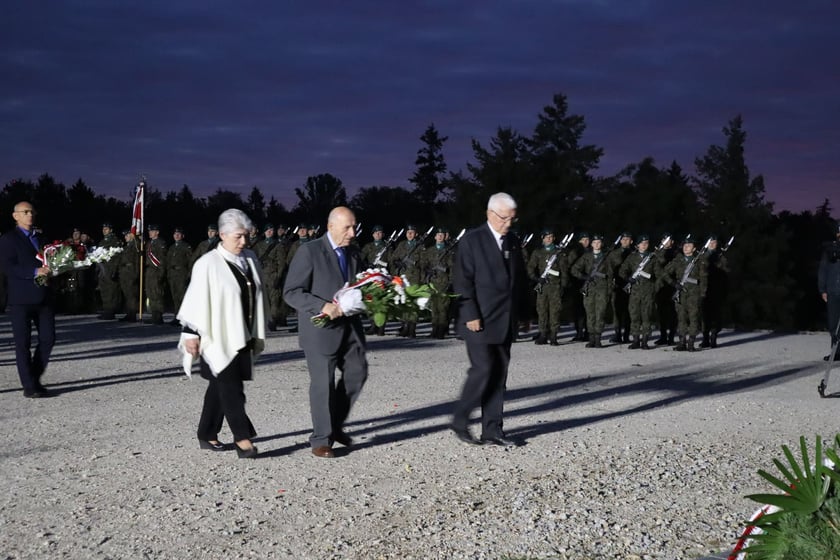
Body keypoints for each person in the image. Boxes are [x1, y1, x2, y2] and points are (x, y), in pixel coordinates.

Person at [177, 209, 266, 459]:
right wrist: (190, 333)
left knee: (220, 386)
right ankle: (242, 438)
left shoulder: (250, 259)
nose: (244, 241)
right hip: (216, 337)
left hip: (242, 333)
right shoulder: (208, 263)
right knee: (231, 386)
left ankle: (206, 433)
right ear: (223, 235)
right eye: (238, 236)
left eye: (246, 236)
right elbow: (195, 298)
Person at [283, 207, 368, 458]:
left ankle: (335, 425)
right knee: (323, 383)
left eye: (354, 227)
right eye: (347, 228)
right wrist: (322, 306)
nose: (352, 233)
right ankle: (321, 439)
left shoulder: (354, 252)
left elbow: (363, 281)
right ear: (330, 226)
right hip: (320, 329)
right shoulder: (309, 251)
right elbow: (291, 292)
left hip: (350, 327)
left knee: (358, 373)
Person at [451, 192, 528, 446]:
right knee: (483, 369)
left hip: (505, 318)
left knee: (499, 374)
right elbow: (462, 281)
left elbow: (519, 280)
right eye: (505, 218)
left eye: (512, 219)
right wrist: (470, 313)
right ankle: (460, 419)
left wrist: (524, 314)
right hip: (479, 318)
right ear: (490, 214)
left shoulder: (513, 241)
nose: (508, 223)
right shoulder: (472, 241)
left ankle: (493, 430)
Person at [0, 201, 56, 398]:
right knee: (23, 343)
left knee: (48, 339)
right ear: (15, 216)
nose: (30, 215)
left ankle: (33, 376)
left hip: (44, 297)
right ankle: (29, 386)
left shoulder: (42, 238)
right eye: (25, 212)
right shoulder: (8, 239)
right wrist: (34, 271)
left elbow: (51, 261)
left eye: (32, 211)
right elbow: (7, 267)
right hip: (21, 299)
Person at [663, 235, 708, 352]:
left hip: (694, 293)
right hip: (681, 292)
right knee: (681, 318)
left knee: (693, 318)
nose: (686, 247)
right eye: (685, 245)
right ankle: (682, 342)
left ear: (694, 249)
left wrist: (702, 294)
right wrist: (673, 283)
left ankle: (691, 342)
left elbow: (703, 279)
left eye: (689, 246)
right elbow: (665, 273)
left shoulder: (699, 261)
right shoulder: (678, 260)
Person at [527, 229, 568, 346]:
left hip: (555, 286)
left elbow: (564, 270)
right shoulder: (538, 252)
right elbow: (530, 268)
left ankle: (554, 336)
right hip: (542, 286)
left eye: (551, 237)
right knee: (542, 311)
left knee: (555, 311)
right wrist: (536, 278)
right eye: (546, 237)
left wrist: (563, 285)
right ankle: (543, 335)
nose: (549, 239)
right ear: (542, 239)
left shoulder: (559, 253)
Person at [619, 234, 660, 349]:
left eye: (646, 243)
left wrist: (653, 284)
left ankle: (645, 341)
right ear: (637, 245)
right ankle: (636, 340)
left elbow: (659, 275)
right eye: (642, 243)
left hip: (648, 291)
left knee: (646, 316)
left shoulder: (652, 258)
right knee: (634, 316)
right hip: (635, 291)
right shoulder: (632, 257)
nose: (644, 245)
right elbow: (622, 270)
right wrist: (628, 279)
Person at [571, 234, 612, 348]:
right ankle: (591, 338)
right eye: (595, 242)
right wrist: (584, 277)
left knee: (600, 313)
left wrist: (609, 291)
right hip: (589, 288)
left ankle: (598, 338)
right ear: (592, 244)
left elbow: (610, 275)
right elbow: (574, 269)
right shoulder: (586, 256)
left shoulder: (606, 257)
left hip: (602, 288)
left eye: (599, 242)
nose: (597, 244)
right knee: (590, 314)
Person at [420, 227, 455, 339]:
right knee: (434, 308)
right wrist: (426, 273)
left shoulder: (449, 251)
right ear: (435, 237)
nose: (440, 237)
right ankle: (434, 329)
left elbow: (452, 268)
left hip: (444, 282)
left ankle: (442, 330)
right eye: (438, 235)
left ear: (444, 237)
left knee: (443, 308)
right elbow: (423, 265)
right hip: (433, 282)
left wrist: (450, 282)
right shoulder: (429, 251)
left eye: (442, 235)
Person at [701, 236, 729, 348]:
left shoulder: (721, 256)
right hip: (703, 290)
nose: (712, 244)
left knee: (716, 315)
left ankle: (713, 336)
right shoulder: (701, 256)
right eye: (710, 242)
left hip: (716, 291)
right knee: (704, 316)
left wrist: (720, 265)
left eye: (714, 242)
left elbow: (726, 272)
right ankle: (705, 338)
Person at [818, 221, 840, 361]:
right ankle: (836, 352)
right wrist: (822, 289)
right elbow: (823, 270)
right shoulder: (830, 250)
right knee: (833, 324)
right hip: (833, 290)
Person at [166, 227, 192, 326]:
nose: (176, 235)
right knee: (175, 297)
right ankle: (177, 317)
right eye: (175, 234)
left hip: (181, 273)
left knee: (182, 297)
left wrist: (188, 275)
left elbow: (190, 262)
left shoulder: (186, 247)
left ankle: (184, 318)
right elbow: (168, 261)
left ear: (182, 236)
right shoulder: (172, 247)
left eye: (179, 234)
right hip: (173, 275)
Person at [97, 222, 123, 320]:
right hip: (103, 269)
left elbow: (117, 256)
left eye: (106, 229)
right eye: (103, 229)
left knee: (111, 290)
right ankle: (106, 309)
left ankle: (111, 311)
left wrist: (114, 269)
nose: (104, 230)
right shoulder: (102, 241)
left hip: (110, 268)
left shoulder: (115, 241)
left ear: (111, 230)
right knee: (104, 290)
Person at [144, 224, 167, 324]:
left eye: (152, 231)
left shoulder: (160, 243)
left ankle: (158, 316)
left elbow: (162, 260)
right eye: (149, 231)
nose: (150, 232)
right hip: (149, 271)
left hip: (156, 270)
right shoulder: (149, 243)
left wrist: (161, 274)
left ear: (157, 232)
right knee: (150, 293)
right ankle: (154, 314)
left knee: (157, 293)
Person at [118, 230, 141, 322]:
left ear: (131, 235)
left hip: (131, 272)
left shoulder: (135, 245)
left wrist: (136, 273)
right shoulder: (127, 246)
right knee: (127, 294)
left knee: (131, 294)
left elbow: (137, 260)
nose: (125, 237)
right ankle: (129, 313)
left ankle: (132, 314)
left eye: (127, 235)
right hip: (125, 272)